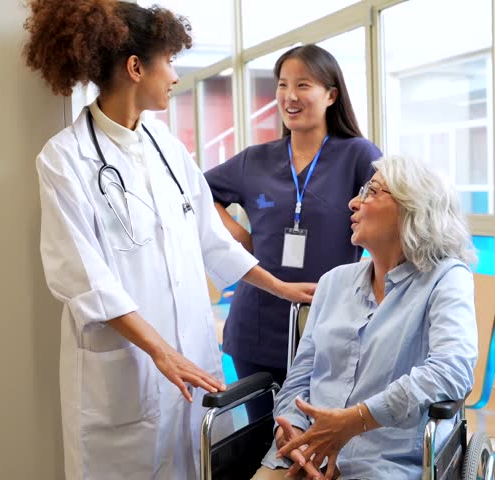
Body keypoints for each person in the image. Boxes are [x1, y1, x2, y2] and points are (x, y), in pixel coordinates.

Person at [23, 1, 314, 478]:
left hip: (187, 363)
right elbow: (83, 279)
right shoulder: (64, 160)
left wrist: (279, 288)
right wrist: (159, 350)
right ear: (137, 68)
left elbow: (211, 237)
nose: (176, 76)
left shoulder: (169, 148)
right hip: (127, 370)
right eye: (170, 61)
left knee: (196, 460)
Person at [252, 155, 479, 479]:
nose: (353, 202)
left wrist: (356, 420)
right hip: (303, 453)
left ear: (413, 207)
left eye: (371, 191)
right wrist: (290, 433)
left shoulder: (446, 278)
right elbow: (299, 377)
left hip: (387, 462)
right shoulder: (334, 282)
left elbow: (451, 371)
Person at [204, 45, 383, 421]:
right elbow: (194, 193)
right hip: (257, 323)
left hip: (331, 322)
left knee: (318, 444)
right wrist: (238, 234)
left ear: (331, 95)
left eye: (303, 84)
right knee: (260, 446)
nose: (290, 96)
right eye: (283, 85)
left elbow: (391, 211)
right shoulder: (256, 159)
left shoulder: (357, 155)